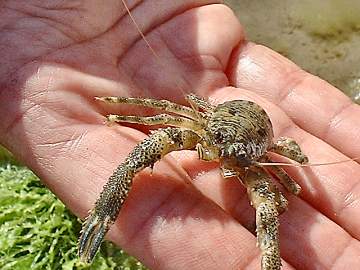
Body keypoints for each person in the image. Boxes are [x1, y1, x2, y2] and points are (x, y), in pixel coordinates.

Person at [1, 1, 360, 269]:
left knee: (269, 214)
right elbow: (161, 116)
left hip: (249, 139)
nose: (221, 158)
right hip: (221, 123)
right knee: (140, 153)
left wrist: (290, 179)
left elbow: (286, 185)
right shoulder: (200, 126)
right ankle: (102, 215)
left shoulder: (257, 164)